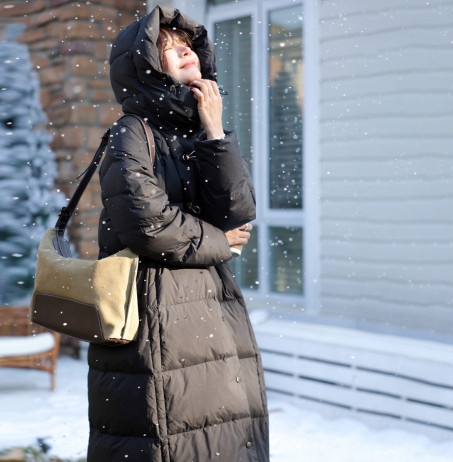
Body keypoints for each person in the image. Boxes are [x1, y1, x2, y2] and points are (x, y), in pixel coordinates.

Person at [87, 5, 269, 461]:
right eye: (168, 47)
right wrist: (220, 242)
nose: (186, 52)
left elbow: (237, 211)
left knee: (220, 438)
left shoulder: (194, 131)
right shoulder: (132, 132)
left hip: (209, 309)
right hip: (157, 317)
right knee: (171, 437)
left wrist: (214, 130)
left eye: (187, 45)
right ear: (146, 66)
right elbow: (147, 223)